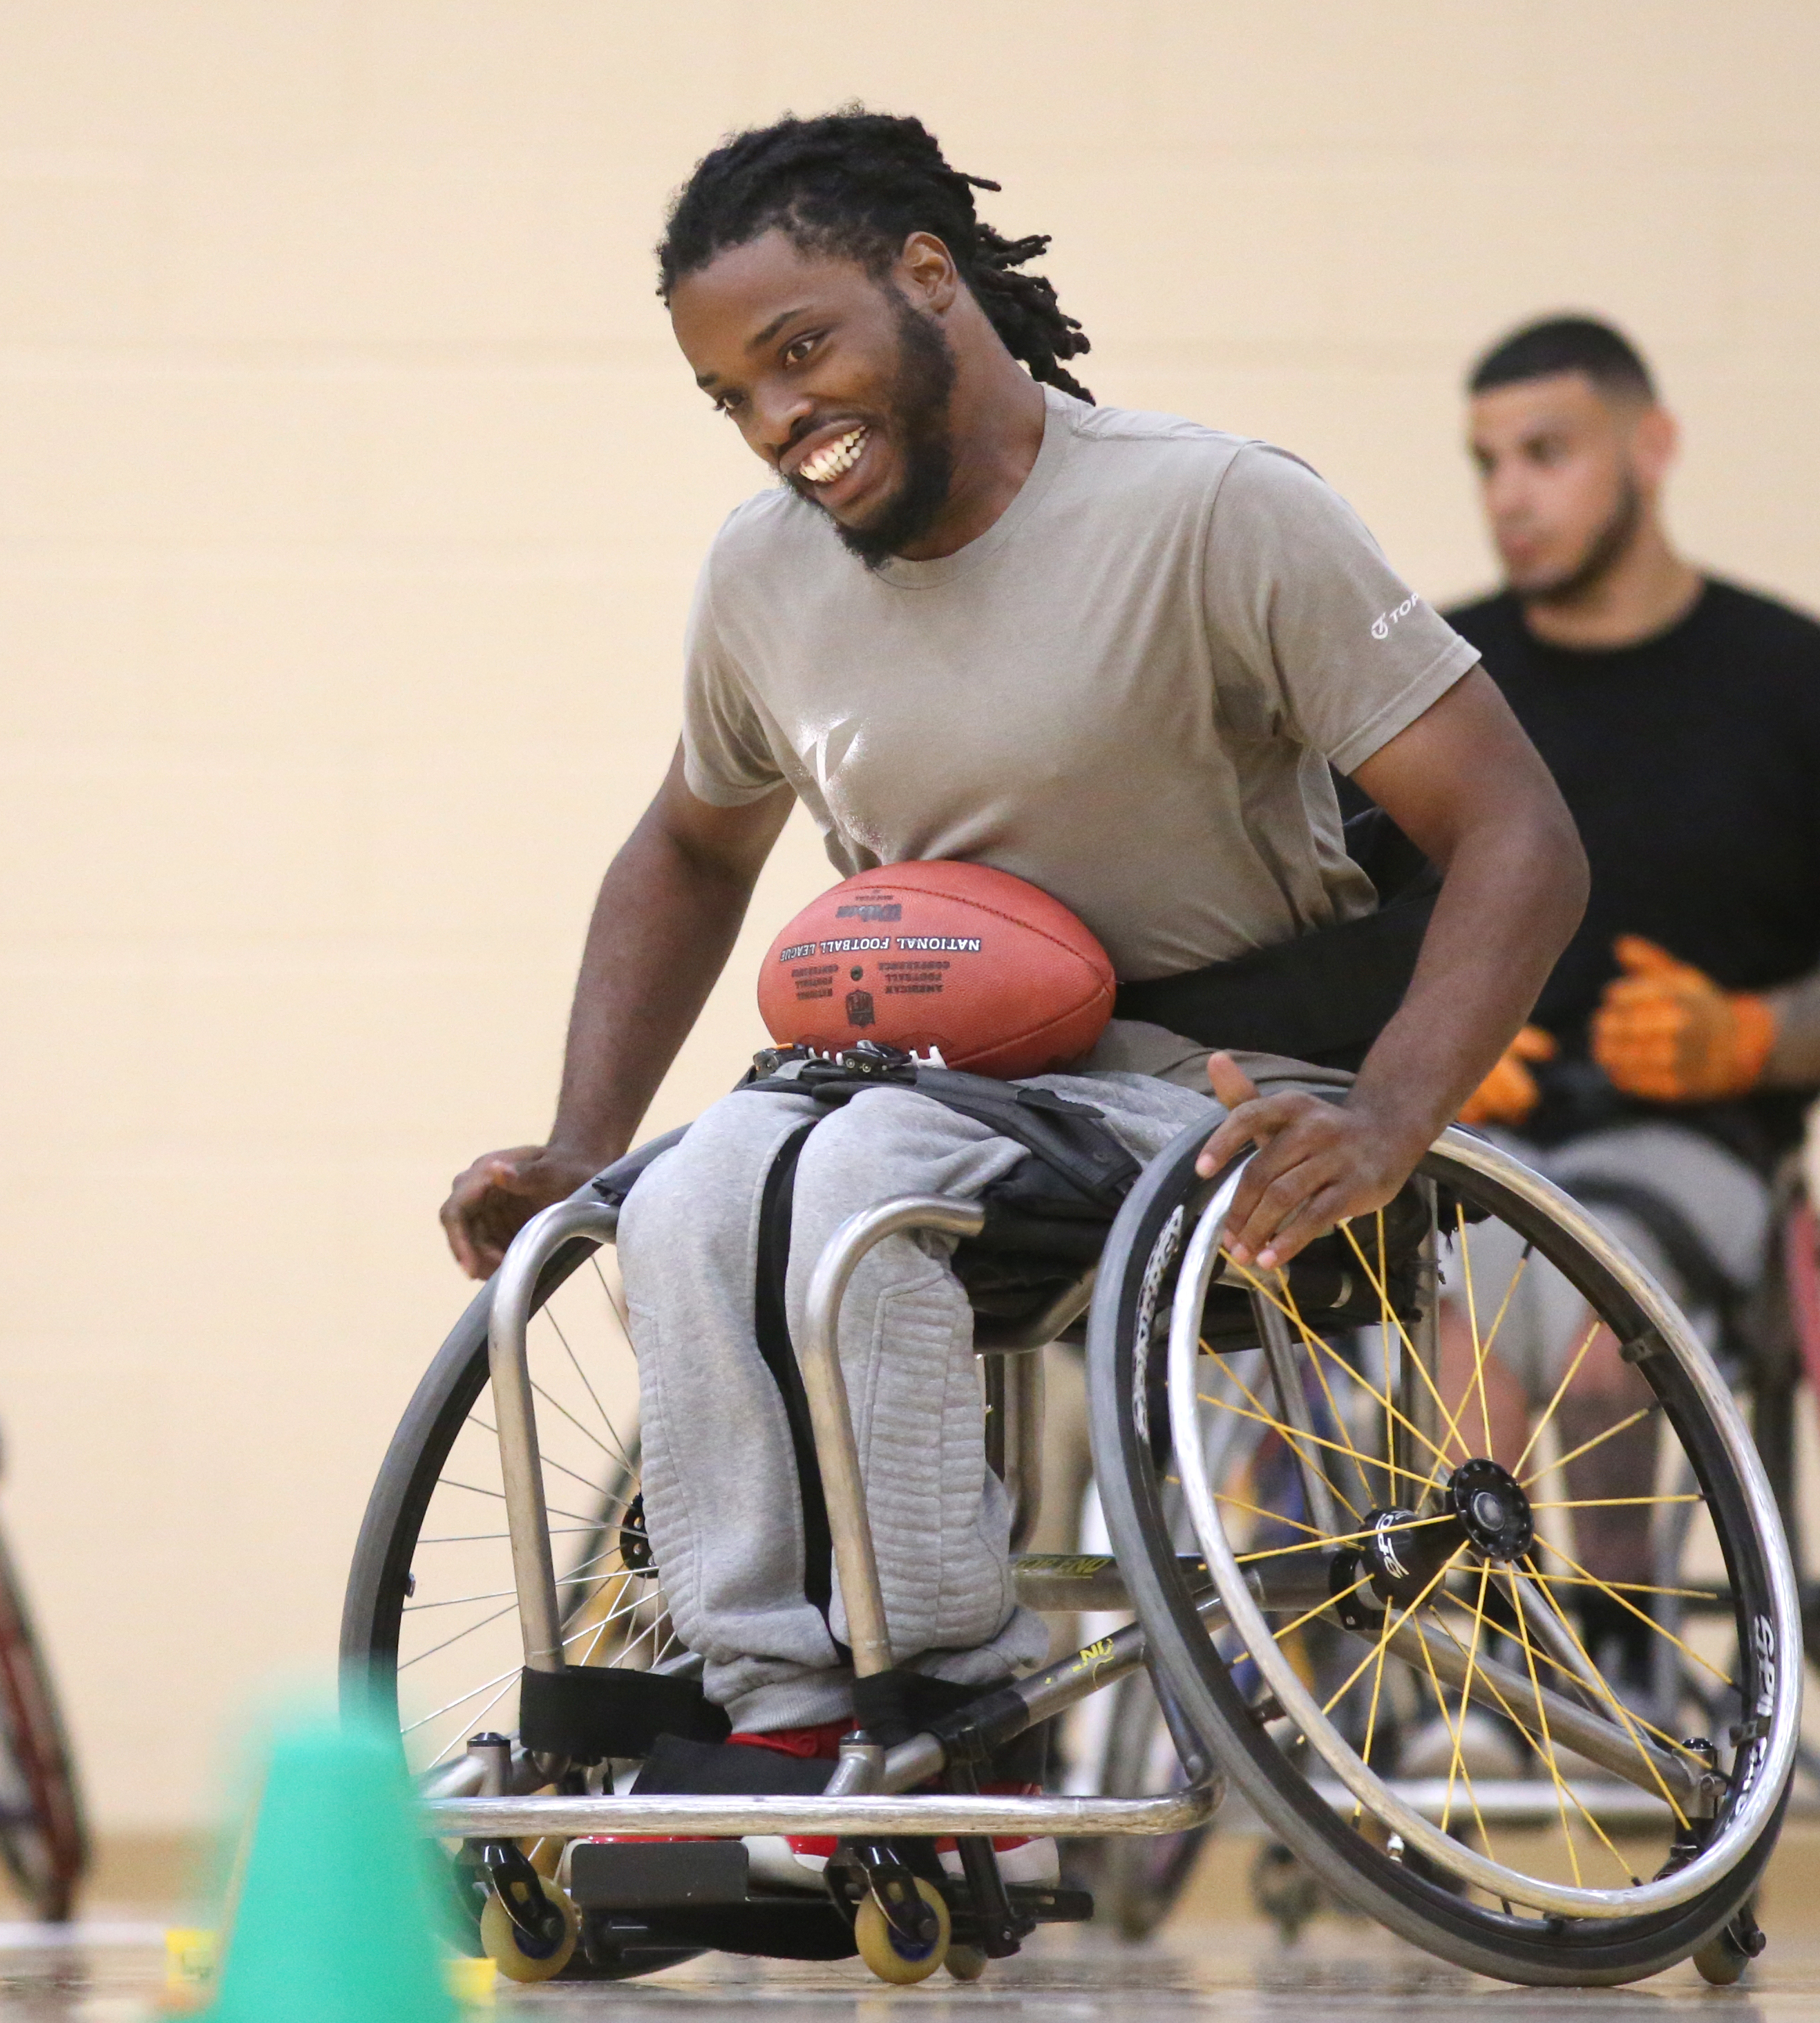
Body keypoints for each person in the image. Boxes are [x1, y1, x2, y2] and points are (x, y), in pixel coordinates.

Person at [437, 111, 1586, 1790]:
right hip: (936, 1088)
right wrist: (579, 1145)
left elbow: (1519, 833)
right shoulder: (761, 580)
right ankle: (779, 1716)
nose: (777, 424)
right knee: (686, 1192)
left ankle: (960, 1727)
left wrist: (1396, 1111)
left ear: (930, 277)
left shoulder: (1213, 510)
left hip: (1214, 1091)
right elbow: (687, 848)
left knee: (857, 1173)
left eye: (800, 350)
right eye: (731, 397)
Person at [1438, 315, 1820, 1670]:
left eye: (1547, 453)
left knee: (1595, 1292)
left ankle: (1608, 1619)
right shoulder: (1437, 682)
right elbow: (1321, 903)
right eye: (1488, 461)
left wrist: (1756, 1035)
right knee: (1475, 1279)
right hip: (1467, 1139)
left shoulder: (1804, 685)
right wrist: (1418, 1037)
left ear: (1653, 448)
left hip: (1703, 1142)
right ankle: (1481, 1636)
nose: (1510, 493)